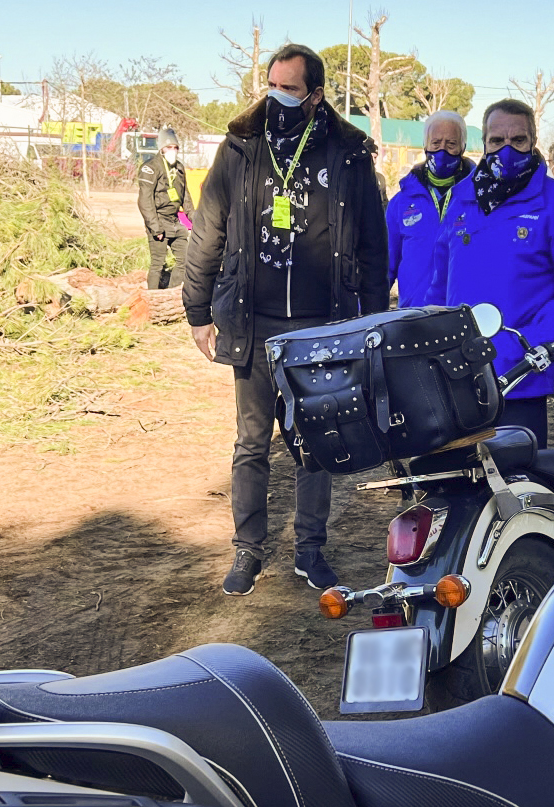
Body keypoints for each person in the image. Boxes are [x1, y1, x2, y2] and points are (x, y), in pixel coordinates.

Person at [183, 43, 389, 596]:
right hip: (254, 324)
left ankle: (309, 549)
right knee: (251, 443)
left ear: (315, 95)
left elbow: (373, 246)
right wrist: (198, 311)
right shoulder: (241, 147)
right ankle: (248, 549)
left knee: (315, 443)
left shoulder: (348, 154)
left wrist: (372, 322)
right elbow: (208, 230)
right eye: (272, 85)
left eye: (290, 88)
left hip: (322, 326)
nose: (277, 97)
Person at [427, 99, 554, 448]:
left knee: (516, 477)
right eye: (497, 141)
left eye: (518, 140)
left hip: (519, 377)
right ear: (484, 143)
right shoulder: (461, 199)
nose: (506, 150)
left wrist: (527, 343)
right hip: (455, 374)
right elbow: (439, 282)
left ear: (533, 141)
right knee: (454, 475)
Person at [386, 111, 472, 307]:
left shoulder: (477, 200)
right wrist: (367, 311)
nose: (442, 151)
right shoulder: (401, 202)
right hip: (414, 315)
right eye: (435, 143)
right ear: (425, 145)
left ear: (463, 147)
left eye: (451, 144)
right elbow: (385, 266)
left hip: (461, 314)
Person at [138, 127, 190, 289]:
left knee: (185, 260)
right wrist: (155, 227)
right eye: (168, 147)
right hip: (158, 220)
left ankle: (171, 293)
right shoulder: (150, 168)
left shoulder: (179, 168)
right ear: (161, 148)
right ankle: (152, 297)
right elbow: (145, 201)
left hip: (174, 221)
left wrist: (197, 220)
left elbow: (186, 197)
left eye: (175, 147)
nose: (172, 151)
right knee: (158, 264)